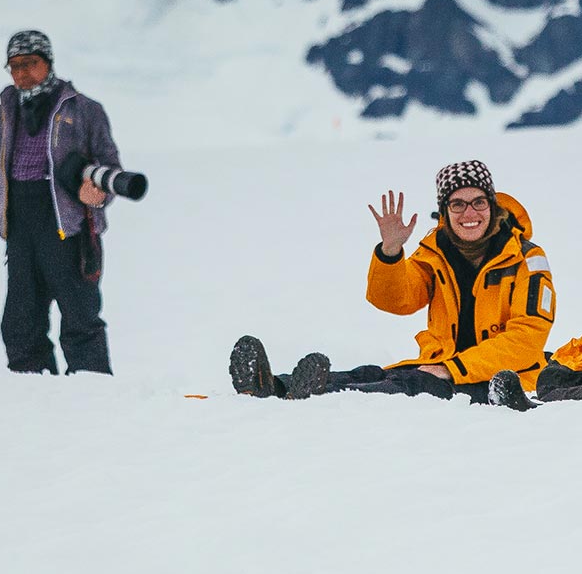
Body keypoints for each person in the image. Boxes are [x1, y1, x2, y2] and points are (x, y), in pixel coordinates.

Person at [229, 160, 557, 408]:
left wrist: (452, 369)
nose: (469, 212)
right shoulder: (438, 250)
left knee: (407, 385)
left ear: (492, 205)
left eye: (478, 202)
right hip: (442, 364)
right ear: (445, 211)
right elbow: (397, 299)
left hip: (506, 376)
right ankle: (276, 386)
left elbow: (526, 338)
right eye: (457, 203)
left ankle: (317, 397)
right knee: (372, 373)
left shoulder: (527, 259)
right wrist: (391, 252)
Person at [0, 30, 121, 374]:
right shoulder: (3, 115)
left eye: (30, 63)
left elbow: (110, 166)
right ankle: (34, 392)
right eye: (14, 66)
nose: (22, 73)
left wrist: (97, 193)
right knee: (20, 323)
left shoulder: (83, 111)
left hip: (69, 227)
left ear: (47, 63)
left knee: (80, 317)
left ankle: (93, 394)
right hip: (21, 227)